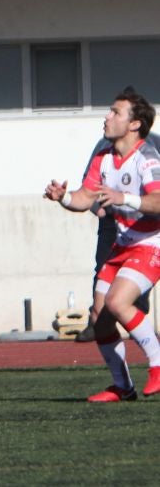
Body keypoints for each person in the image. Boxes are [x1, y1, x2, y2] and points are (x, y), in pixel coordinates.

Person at [44, 89, 160, 402]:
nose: (106, 117)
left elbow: (159, 201)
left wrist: (125, 198)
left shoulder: (147, 157)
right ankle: (123, 387)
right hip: (123, 245)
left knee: (117, 302)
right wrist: (63, 198)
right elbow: (84, 197)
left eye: (115, 112)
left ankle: (157, 362)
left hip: (151, 244)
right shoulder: (104, 156)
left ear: (134, 124)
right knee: (100, 316)